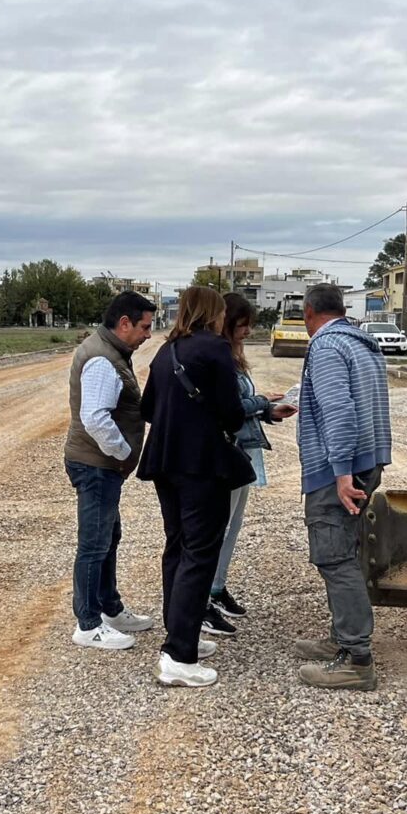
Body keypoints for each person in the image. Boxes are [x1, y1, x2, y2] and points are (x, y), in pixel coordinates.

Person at [137, 286, 255, 688]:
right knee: (201, 552)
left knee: (177, 546)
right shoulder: (214, 349)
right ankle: (178, 654)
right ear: (213, 313)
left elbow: (148, 408)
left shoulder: (166, 350)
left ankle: (179, 632)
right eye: (221, 312)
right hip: (201, 464)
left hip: (164, 460)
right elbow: (233, 414)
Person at [292, 282, 391, 691]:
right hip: (367, 459)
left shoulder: (327, 346)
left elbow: (338, 410)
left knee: (334, 556)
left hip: (342, 469)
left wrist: (340, 473)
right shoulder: (362, 344)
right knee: (345, 549)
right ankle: (341, 636)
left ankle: (356, 657)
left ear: (308, 312)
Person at [64, 290, 158, 651]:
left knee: (109, 536)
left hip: (101, 464)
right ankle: (88, 624)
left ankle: (109, 609)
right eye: (145, 327)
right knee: (94, 543)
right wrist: (122, 453)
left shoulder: (112, 351)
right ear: (124, 324)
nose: (148, 334)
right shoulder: (103, 359)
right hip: (97, 464)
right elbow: (95, 418)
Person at [205, 293, 296, 636]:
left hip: (244, 448)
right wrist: (262, 402)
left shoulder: (234, 357)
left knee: (233, 525)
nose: (247, 332)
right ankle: (206, 594)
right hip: (229, 451)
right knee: (219, 526)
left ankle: (217, 586)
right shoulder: (218, 358)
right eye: (242, 326)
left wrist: (268, 412)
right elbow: (229, 407)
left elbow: (241, 405)